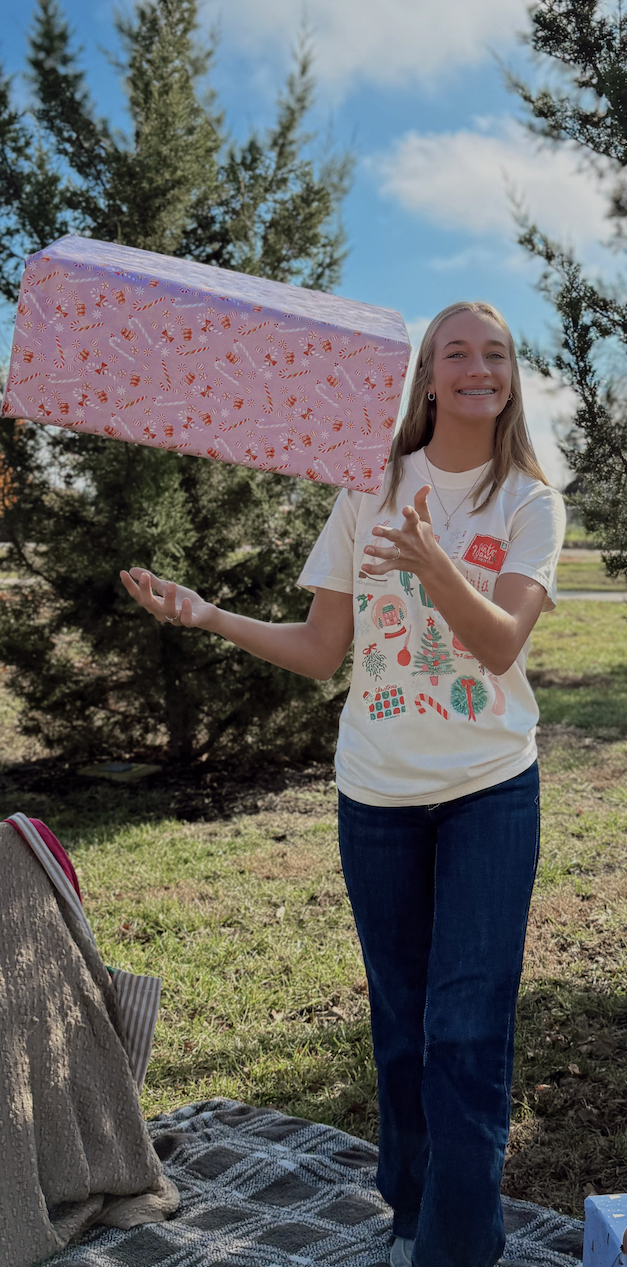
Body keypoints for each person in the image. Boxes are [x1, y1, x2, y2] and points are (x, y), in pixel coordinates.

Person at [120, 301, 566, 1267]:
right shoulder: (370, 486)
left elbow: (498, 643)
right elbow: (326, 649)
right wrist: (210, 616)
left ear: (511, 378)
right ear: (429, 377)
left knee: (466, 1027)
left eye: (496, 353)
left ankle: (457, 1248)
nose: (478, 367)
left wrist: (436, 562)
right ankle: (410, 1213)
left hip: (491, 787)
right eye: (458, 352)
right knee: (403, 1024)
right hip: (377, 797)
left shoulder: (531, 500)